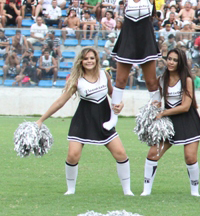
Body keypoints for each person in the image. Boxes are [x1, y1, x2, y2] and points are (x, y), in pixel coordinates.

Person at [35, 48, 132, 196]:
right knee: (72, 155)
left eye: (92, 58)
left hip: (104, 120)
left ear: (96, 59)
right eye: (86, 59)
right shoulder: (76, 80)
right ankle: (71, 189)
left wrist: (119, 104)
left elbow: (112, 93)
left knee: (120, 153)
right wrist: (41, 120)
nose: (89, 61)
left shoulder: (104, 74)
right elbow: (60, 102)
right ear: (81, 61)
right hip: (83, 120)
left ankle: (127, 191)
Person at [105, 0, 167, 130]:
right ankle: (113, 117)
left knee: (151, 82)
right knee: (120, 81)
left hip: (146, 42)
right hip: (128, 41)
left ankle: (157, 117)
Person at [141, 49, 200, 196]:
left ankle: (195, 191)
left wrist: (163, 112)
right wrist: (155, 106)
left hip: (188, 120)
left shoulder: (187, 80)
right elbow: (157, 100)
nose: (171, 62)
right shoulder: (162, 79)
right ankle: (146, 190)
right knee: (152, 154)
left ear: (180, 62)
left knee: (190, 157)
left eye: (175, 60)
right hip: (169, 123)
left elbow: (186, 106)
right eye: (169, 59)